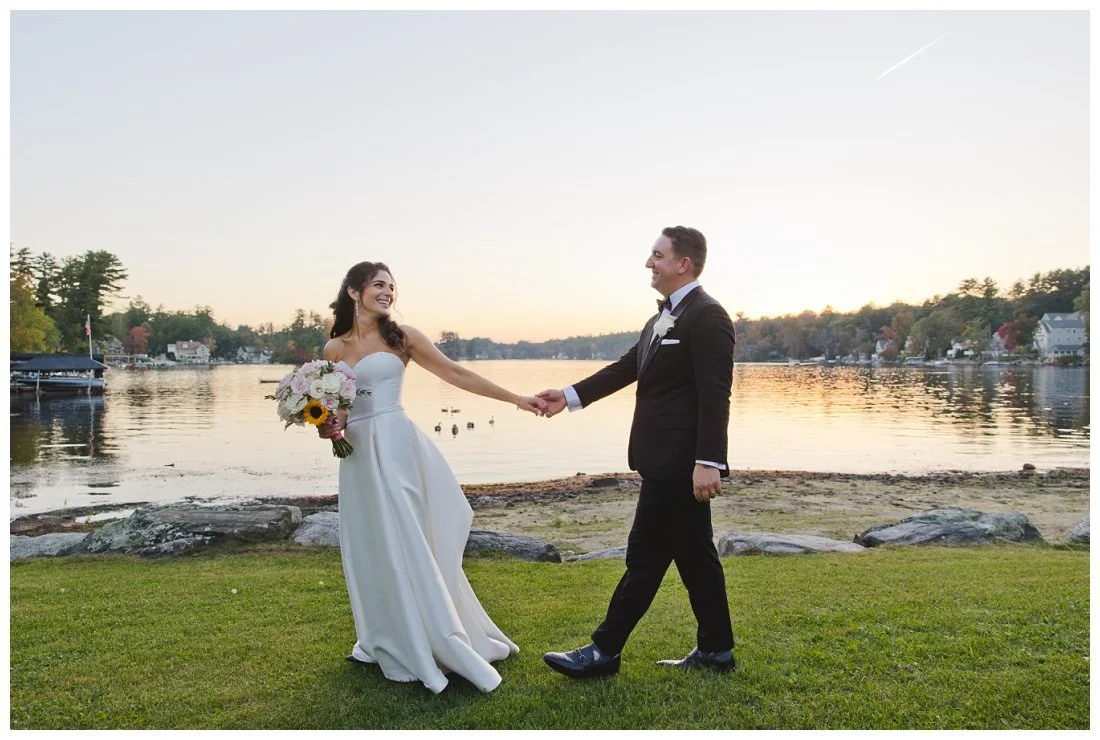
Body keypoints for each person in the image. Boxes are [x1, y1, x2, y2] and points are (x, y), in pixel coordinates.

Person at [317, 260, 546, 694]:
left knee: (409, 536)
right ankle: (388, 637)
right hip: (358, 456)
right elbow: (338, 412)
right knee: (372, 542)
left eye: (391, 287)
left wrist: (515, 398)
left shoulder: (402, 337)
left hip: (397, 446)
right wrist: (327, 426)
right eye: (378, 285)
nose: (388, 293)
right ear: (354, 292)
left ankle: (436, 637)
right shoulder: (333, 349)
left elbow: (454, 372)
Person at [538, 226, 736, 678]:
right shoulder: (660, 319)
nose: (649, 263)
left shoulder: (708, 316)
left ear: (683, 264)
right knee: (696, 557)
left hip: (679, 464)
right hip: (662, 459)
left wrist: (708, 461)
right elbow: (627, 367)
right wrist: (568, 396)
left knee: (644, 557)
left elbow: (715, 394)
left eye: (657, 256)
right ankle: (716, 649)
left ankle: (604, 650)